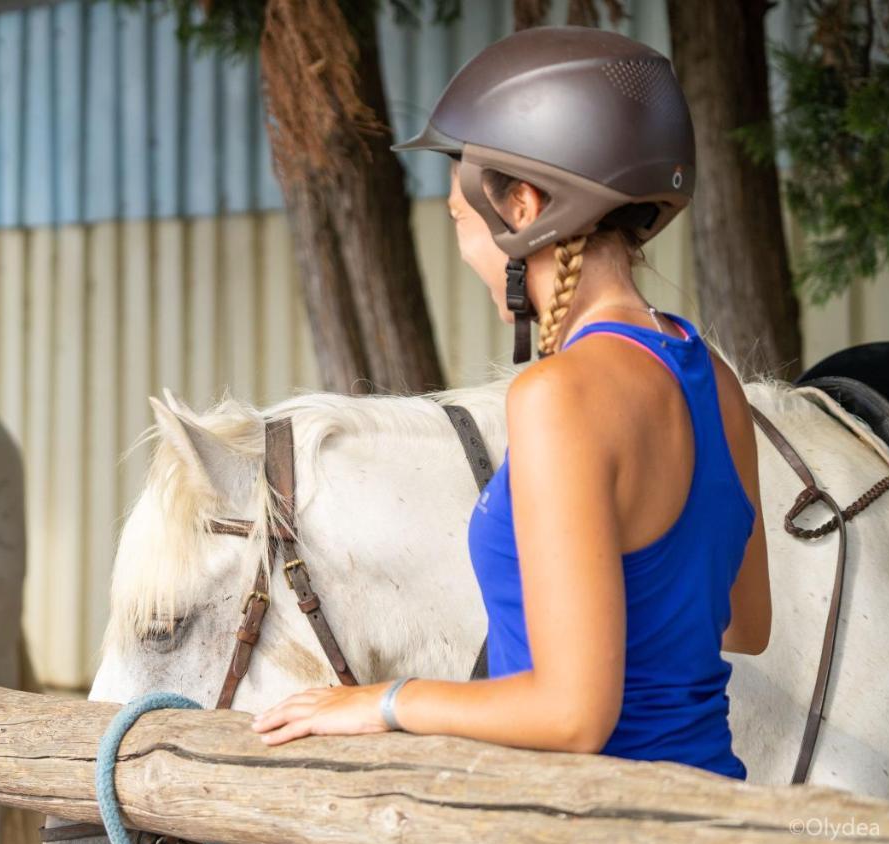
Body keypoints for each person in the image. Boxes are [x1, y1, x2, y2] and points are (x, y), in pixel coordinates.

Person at [250, 25, 772, 780]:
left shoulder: (558, 396)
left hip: (589, 824)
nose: (464, 249)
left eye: (463, 221)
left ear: (524, 206)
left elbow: (572, 715)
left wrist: (385, 701)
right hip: (712, 805)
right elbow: (746, 623)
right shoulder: (713, 378)